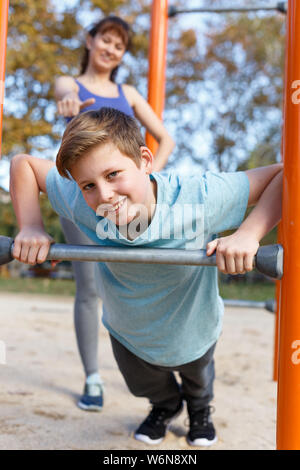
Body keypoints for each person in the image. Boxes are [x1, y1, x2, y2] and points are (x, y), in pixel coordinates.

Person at [10, 108, 282, 447]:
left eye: (113, 174)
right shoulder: (83, 203)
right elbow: (24, 165)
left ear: (145, 161)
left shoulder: (198, 197)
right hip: (129, 329)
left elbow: (285, 175)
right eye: (89, 185)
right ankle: (165, 405)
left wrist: (248, 234)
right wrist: (32, 227)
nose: (105, 195)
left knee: (198, 376)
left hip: (191, 325)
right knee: (142, 382)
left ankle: (199, 408)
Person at [54, 16, 175, 411]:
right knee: (90, 287)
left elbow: (166, 137)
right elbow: (62, 95)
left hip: (128, 201)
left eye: (119, 45)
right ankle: (93, 377)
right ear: (89, 41)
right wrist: (68, 106)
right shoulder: (71, 85)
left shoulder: (129, 92)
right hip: (85, 200)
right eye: (105, 39)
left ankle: (158, 370)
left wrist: (149, 175)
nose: (111, 49)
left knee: (143, 278)